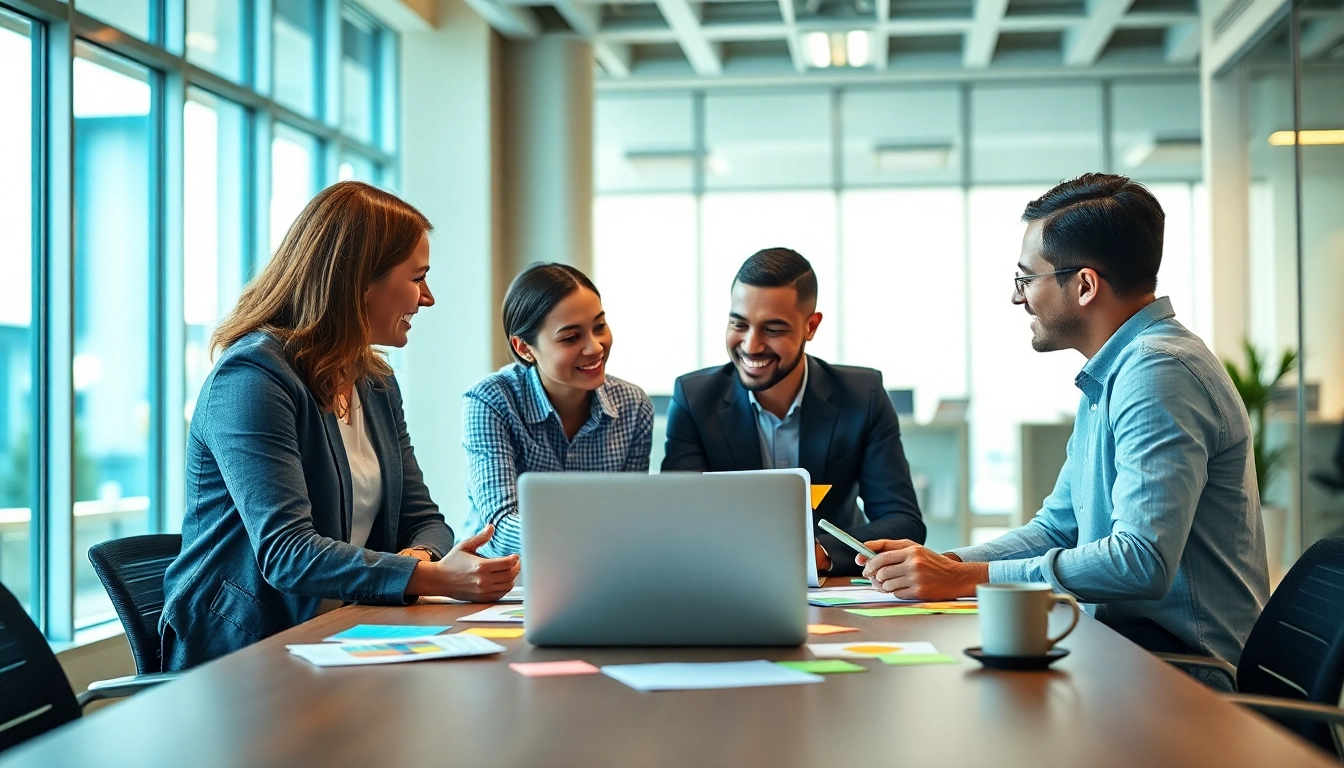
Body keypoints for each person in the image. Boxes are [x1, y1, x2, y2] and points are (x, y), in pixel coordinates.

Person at [858, 173, 1269, 667]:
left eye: (1026, 279)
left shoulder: (1158, 372)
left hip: (1183, 670)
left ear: (1085, 285)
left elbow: (1141, 561)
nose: (1018, 297)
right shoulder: (1116, 370)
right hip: (1130, 651)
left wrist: (965, 579)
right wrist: (949, 564)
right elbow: (1058, 528)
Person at [160, 182, 520, 671]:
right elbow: (287, 553)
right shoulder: (252, 379)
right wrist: (429, 577)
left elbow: (426, 520)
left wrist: (415, 559)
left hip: (345, 634)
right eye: (417, 278)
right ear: (359, 282)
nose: (428, 298)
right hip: (245, 654)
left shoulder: (374, 382)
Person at [662, 247, 924, 576]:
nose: (751, 345)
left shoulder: (863, 395)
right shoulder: (695, 399)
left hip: (834, 585)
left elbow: (904, 522)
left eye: (773, 330)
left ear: (811, 327)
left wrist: (822, 553)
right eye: (739, 324)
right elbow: (676, 520)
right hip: (725, 580)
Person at [462, 263, 654, 558]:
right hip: (503, 583)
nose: (595, 348)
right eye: (570, 338)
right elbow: (497, 530)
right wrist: (594, 542)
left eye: (599, 326)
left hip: (598, 578)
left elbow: (631, 518)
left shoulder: (633, 406)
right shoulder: (490, 401)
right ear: (525, 348)